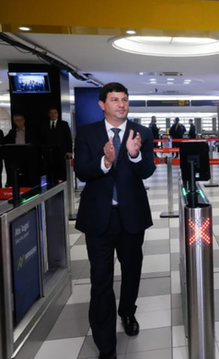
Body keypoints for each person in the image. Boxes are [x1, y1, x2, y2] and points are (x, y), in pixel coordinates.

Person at [74, 82, 156, 359]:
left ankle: (127, 312)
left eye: (124, 99)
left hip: (131, 217)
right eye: (114, 99)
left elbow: (147, 170)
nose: (121, 104)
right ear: (102, 104)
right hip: (99, 219)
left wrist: (134, 155)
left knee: (132, 271)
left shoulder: (142, 133)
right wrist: (105, 162)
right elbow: (82, 172)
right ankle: (106, 345)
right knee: (101, 280)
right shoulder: (87, 133)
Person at [5, 114, 40, 187]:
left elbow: (36, 144)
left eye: (21, 120)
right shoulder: (12, 132)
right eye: (17, 120)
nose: (19, 122)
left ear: (24, 121)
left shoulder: (31, 131)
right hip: (16, 157)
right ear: (14, 122)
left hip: (29, 157)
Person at [40, 107, 73, 182]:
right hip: (48, 153)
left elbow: (68, 138)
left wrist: (70, 151)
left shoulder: (64, 124)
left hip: (61, 152)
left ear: (58, 114)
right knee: (49, 173)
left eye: (55, 112)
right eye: (51, 113)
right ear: (49, 114)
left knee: (61, 172)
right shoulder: (44, 125)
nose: (53, 114)